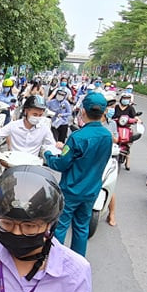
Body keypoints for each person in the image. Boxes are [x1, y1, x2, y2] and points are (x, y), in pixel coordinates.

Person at [44, 90, 113, 256]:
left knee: (60, 226)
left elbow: (61, 164)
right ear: (104, 112)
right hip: (91, 191)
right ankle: (77, 262)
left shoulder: (77, 137)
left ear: (82, 111)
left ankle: (55, 260)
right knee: (82, 228)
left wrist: (48, 155)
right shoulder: (107, 136)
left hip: (71, 190)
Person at [0, 95, 58, 161]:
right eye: (35, 114)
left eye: (40, 115)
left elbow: (52, 146)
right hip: (12, 165)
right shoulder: (13, 126)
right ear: (26, 111)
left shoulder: (44, 129)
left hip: (32, 167)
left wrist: (57, 150)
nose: (37, 118)